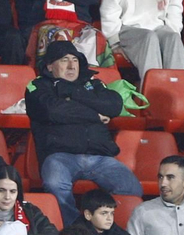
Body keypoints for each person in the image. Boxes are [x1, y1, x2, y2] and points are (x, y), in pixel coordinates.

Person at [25, 41, 142, 223]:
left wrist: (74, 93)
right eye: (64, 60)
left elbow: (114, 105)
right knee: (56, 183)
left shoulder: (93, 84)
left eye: (75, 60)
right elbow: (53, 110)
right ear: (50, 66)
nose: (72, 66)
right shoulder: (37, 86)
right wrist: (95, 115)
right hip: (60, 156)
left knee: (131, 188)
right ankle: (75, 232)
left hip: (100, 157)